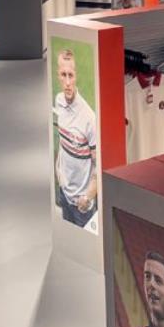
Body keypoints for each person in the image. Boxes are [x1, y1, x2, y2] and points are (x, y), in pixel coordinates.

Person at [53, 48, 98, 227]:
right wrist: (59, 172)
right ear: (58, 75)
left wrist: (87, 198)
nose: (67, 82)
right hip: (64, 194)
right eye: (63, 75)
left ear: (76, 76)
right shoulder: (58, 101)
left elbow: (98, 164)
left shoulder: (89, 118)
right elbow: (62, 141)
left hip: (82, 206)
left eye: (71, 75)